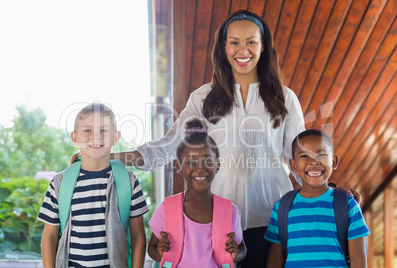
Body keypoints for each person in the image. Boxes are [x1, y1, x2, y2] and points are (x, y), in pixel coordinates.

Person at [72, 10, 360, 267]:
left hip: (272, 223)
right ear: (223, 48)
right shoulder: (203, 98)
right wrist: (107, 157)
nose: (242, 49)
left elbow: (302, 155)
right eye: (234, 42)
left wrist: (331, 189)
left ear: (263, 46)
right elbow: (168, 146)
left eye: (251, 41)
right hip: (218, 224)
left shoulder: (284, 97)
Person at [38, 103, 149, 268]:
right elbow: (49, 237)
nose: (96, 137)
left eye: (104, 130)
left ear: (115, 137)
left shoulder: (129, 181)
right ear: (75, 138)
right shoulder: (59, 184)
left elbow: (138, 235)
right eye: (88, 130)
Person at [147, 118, 246, 267]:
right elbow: (151, 249)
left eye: (207, 161)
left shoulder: (230, 211)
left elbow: (242, 248)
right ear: (179, 166)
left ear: (217, 165)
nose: (200, 168)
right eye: (191, 162)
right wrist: (161, 251)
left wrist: (235, 253)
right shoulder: (166, 209)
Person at [264, 129, 370, 268]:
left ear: (334, 162)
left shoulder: (348, 205)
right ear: (293, 165)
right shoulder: (281, 207)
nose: (313, 161)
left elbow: (359, 262)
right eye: (304, 156)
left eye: (321, 155)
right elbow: (275, 260)